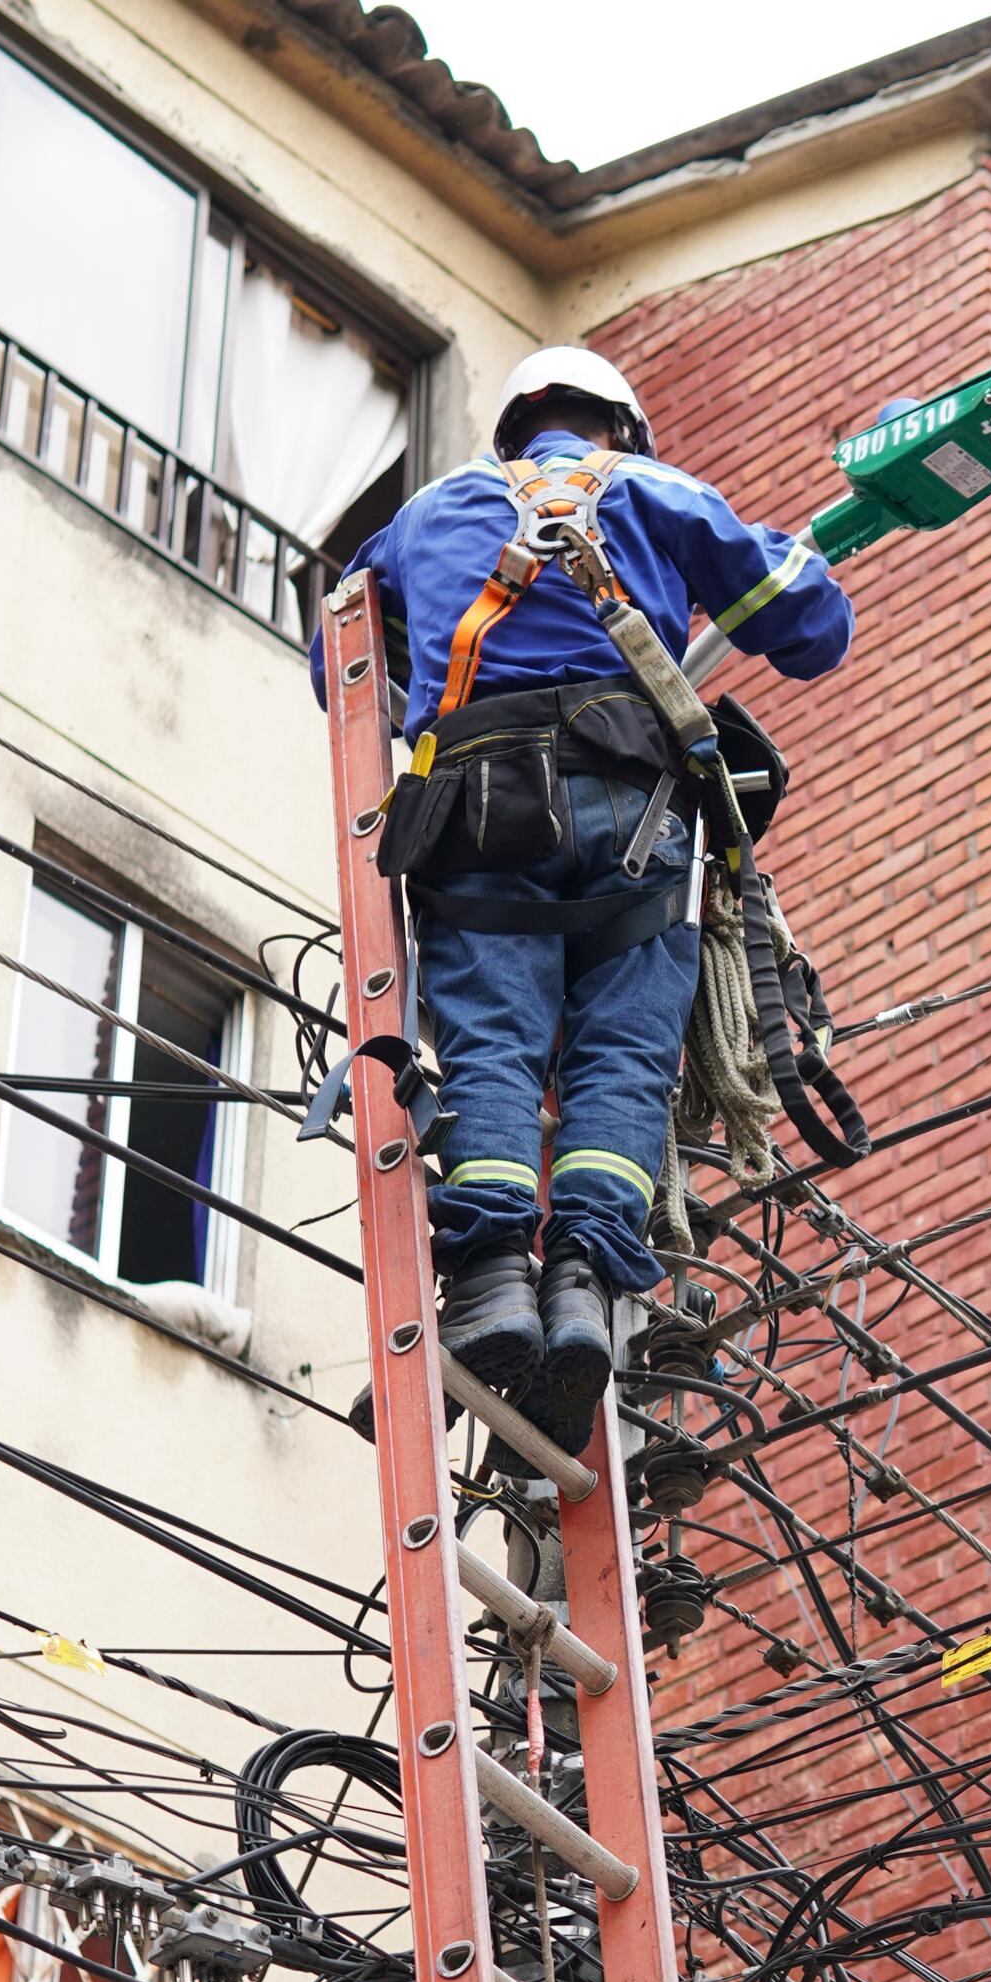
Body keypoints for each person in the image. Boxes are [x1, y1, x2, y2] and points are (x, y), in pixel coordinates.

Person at [336, 346, 853, 1439]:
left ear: (516, 428)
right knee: (619, 1054)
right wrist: (796, 557)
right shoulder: (661, 495)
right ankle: (581, 1286)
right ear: (618, 427)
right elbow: (813, 631)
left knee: (491, 1045)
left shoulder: (425, 517)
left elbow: (343, 668)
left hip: (474, 811)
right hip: (634, 817)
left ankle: (487, 1288)